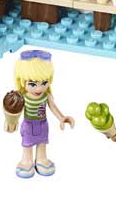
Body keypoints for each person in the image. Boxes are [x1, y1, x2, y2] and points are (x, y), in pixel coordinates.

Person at [5, 50, 74, 178]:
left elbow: (53, 107)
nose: (39, 88)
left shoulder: (46, 96)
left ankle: (41, 159)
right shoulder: (23, 97)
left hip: (43, 124)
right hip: (28, 124)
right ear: (22, 81)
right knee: (27, 144)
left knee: (42, 142)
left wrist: (62, 118)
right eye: (32, 84)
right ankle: (26, 161)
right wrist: (11, 122)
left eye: (44, 83)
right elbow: (16, 110)